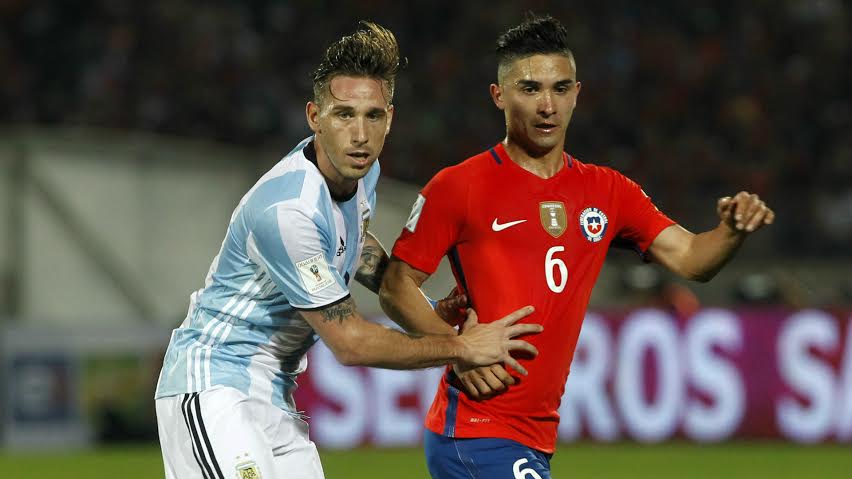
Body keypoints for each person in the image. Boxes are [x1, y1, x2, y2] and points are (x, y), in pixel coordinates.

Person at [379, 14, 775, 479]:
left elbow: (692, 259)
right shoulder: (458, 187)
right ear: (498, 95)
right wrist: (456, 348)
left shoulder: (608, 191)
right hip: (475, 429)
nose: (548, 105)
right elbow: (396, 286)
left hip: (531, 435)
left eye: (560, 89)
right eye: (530, 89)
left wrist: (732, 230)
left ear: (577, 94)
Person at [154, 21, 542, 479]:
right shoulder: (289, 211)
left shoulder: (359, 175)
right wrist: (460, 347)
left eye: (372, 116)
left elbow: (353, 248)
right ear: (314, 117)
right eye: (343, 115)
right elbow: (351, 342)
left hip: (273, 394)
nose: (359, 134)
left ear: (389, 119)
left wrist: (428, 308)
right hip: (214, 386)